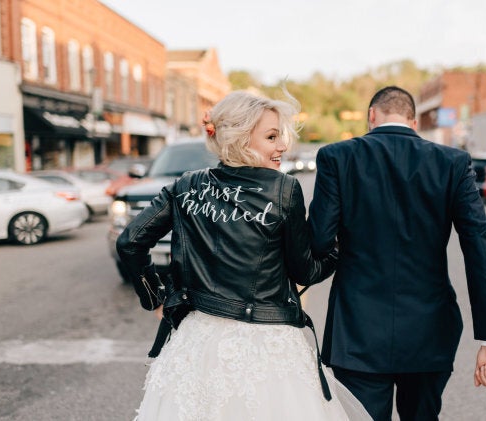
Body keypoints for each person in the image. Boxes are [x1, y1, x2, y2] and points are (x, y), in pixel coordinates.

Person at [116, 90, 371, 421]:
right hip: (268, 342)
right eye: (271, 136)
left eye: (281, 136)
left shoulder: (186, 185)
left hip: (199, 339)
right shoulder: (283, 189)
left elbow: (130, 242)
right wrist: (337, 250)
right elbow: (305, 271)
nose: (282, 146)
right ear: (238, 136)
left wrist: (154, 295)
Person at [309, 86, 486, 421]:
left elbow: (318, 241)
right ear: (414, 122)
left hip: (357, 328)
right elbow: (479, 244)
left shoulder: (337, 157)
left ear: (372, 115)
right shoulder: (453, 162)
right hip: (429, 330)